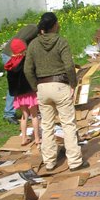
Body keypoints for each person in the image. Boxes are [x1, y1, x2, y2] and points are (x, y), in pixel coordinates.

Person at [24, 12, 86, 172]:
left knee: (47, 125)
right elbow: (69, 66)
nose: (59, 25)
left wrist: (35, 86)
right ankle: (74, 162)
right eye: (57, 23)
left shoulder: (33, 44)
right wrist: (73, 83)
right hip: (60, 85)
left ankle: (49, 162)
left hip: (43, 87)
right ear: (53, 25)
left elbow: (27, 69)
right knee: (68, 124)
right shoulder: (61, 41)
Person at [4, 38, 41, 146]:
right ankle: (37, 138)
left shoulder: (10, 64)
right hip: (29, 91)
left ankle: (24, 137)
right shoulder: (26, 60)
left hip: (19, 94)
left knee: (24, 116)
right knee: (34, 115)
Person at [1, 24, 38, 124]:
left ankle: (29, 109)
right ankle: (9, 113)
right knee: (16, 84)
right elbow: (20, 40)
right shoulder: (34, 29)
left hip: (14, 54)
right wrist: (23, 54)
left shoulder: (33, 29)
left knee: (22, 83)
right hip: (12, 55)